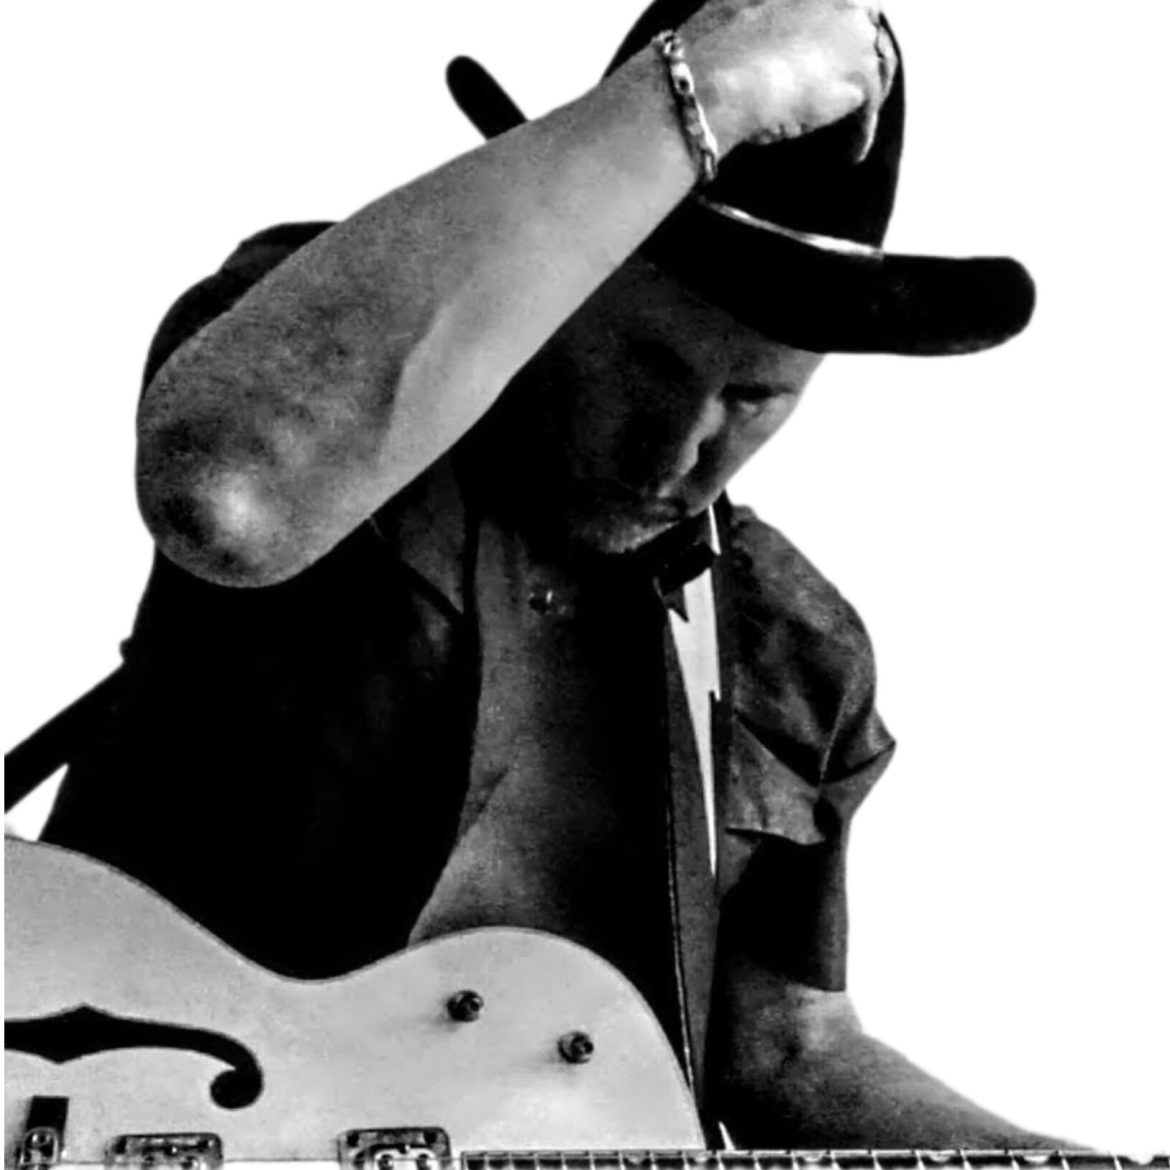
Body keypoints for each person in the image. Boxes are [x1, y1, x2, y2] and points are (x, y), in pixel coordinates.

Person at [31, 0, 1067, 1149]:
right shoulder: (346, 353)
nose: (676, 450)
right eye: (646, 362)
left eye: (752, 398)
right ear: (569, 275)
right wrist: (704, 93)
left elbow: (789, 1048)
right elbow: (228, 500)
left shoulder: (795, 651)